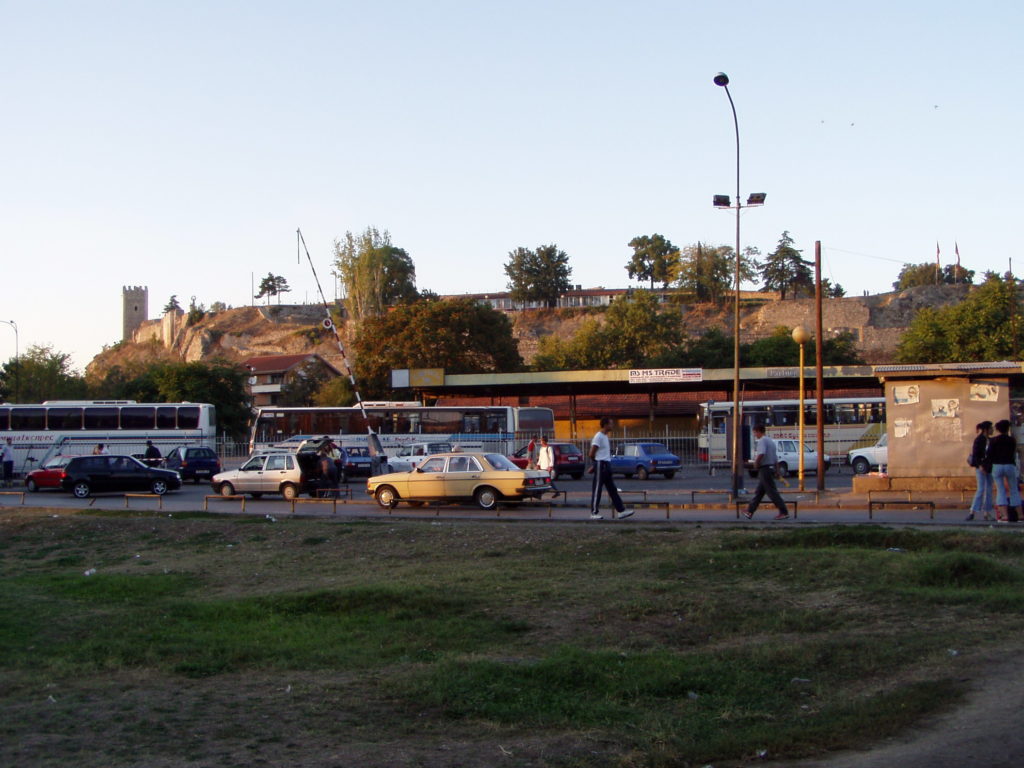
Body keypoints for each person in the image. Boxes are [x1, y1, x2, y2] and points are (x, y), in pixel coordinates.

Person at [588, 417, 633, 520]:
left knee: (612, 489)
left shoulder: (605, 436)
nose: (612, 426)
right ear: (605, 425)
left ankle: (621, 511)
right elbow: (591, 453)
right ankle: (594, 513)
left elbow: (602, 453)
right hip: (601, 464)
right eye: (611, 424)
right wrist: (596, 464)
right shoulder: (598, 437)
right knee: (597, 489)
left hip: (606, 464)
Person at [743, 424, 790, 521]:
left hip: (764, 469)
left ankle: (784, 512)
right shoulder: (771, 441)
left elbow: (761, 453)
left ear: (758, 431)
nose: (755, 435)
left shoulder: (762, 441)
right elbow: (775, 458)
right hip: (770, 468)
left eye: (755, 433)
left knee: (772, 492)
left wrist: (756, 463)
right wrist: (777, 470)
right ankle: (750, 511)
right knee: (759, 492)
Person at [988, 419, 1020, 523]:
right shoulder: (1012, 440)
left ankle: (1004, 516)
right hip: (1009, 465)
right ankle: (1020, 515)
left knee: (1000, 490)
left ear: (998, 429)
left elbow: (989, 455)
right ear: (1008, 429)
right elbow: (1014, 453)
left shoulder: (993, 440)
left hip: (997, 466)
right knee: (1013, 489)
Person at [966, 421, 993, 521]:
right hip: (981, 467)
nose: (992, 430)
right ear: (986, 430)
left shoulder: (991, 440)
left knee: (989, 490)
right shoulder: (979, 440)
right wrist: (980, 465)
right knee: (981, 489)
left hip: (989, 467)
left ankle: (987, 512)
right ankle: (972, 511)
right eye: (991, 428)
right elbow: (976, 454)